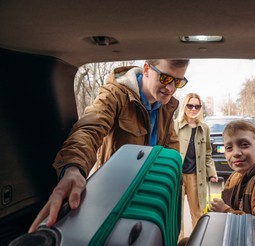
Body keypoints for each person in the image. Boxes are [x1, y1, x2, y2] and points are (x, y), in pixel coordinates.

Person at [29, 59, 190, 232]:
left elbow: (171, 153)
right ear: (146, 70)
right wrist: (74, 168)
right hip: (115, 198)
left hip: (149, 198)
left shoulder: (167, 107)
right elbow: (90, 128)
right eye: (165, 78)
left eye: (178, 82)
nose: (171, 88)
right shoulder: (115, 95)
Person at [174, 93, 218, 240]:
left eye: (197, 106)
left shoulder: (204, 128)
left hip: (195, 176)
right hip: (177, 177)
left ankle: (197, 245)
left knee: (198, 214)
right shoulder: (175, 125)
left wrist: (212, 172)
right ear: (184, 106)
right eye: (190, 105)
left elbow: (207, 154)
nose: (193, 109)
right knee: (176, 217)